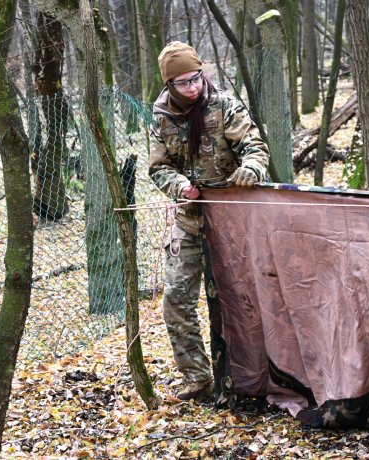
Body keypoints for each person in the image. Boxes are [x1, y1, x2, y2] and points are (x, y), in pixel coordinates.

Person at [149, 41, 270, 400]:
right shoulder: (161, 117)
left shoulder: (224, 105)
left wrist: (251, 168)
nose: (193, 87)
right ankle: (196, 376)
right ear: (169, 85)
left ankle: (250, 376)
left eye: (196, 78)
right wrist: (179, 186)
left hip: (232, 222)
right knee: (176, 300)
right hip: (189, 221)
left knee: (242, 299)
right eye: (183, 83)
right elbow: (158, 167)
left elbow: (254, 145)